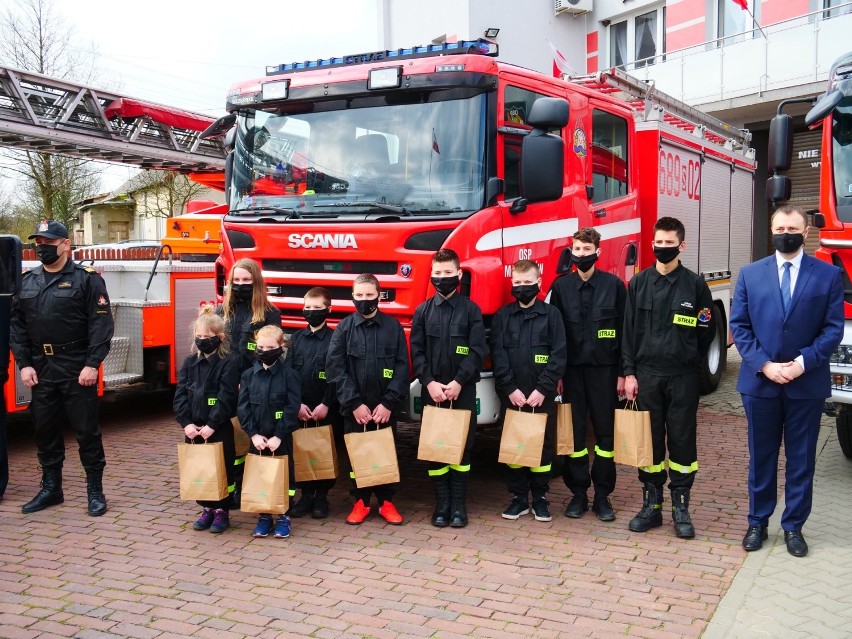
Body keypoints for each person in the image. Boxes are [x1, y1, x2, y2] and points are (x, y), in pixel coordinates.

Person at [731, 206, 843, 557]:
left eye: (792, 228)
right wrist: (764, 365)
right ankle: (757, 522)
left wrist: (801, 363)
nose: (785, 233)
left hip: (805, 384)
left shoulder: (828, 275)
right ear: (771, 229)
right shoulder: (750, 274)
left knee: (801, 459)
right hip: (760, 383)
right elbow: (740, 326)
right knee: (761, 457)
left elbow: (833, 329)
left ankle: (794, 526)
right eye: (779, 227)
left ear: (806, 231)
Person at [10, 220, 114, 516]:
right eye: (38, 243)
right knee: (44, 430)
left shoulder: (87, 279)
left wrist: (92, 364)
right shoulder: (28, 281)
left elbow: (101, 324)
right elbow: (16, 325)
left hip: (76, 366)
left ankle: (95, 491)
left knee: (86, 432)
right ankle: (51, 489)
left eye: (48, 243)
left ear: (65, 245)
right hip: (41, 368)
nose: (41, 248)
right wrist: (24, 364)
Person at [622, 216, 715, 539]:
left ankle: (681, 509)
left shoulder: (695, 286)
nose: (662, 248)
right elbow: (628, 334)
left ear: (681, 245)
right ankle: (652, 507)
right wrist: (629, 373)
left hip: (682, 378)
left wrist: (687, 360)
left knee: (682, 444)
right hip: (646, 377)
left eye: (668, 243)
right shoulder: (638, 284)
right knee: (648, 444)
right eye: (658, 243)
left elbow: (706, 330)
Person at [550, 227, 626, 521]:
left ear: (598, 251)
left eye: (586, 249)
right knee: (575, 434)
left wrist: (623, 373)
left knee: (605, 436)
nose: (580, 255)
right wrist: (556, 372)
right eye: (576, 250)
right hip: (571, 374)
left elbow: (625, 333)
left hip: (605, 373)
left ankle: (603, 496)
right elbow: (553, 334)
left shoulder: (614, 286)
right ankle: (579, 493)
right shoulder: (560, 288)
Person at [410, 249, 486, 528]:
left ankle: (458, 506)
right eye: (437, 274)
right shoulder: (422, 311)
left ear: (459, 274)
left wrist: (458, 382)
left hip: (461, 389)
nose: (442, 278)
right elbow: (417, 351)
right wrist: (428, 382)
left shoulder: (471, 310)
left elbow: (477, 350)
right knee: (436, 448)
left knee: (462, 449)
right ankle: (441, 505)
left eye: (447, 273)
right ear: (431, 276)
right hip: (432, 390)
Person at [326, 273, 409, 526]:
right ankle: (360, 501)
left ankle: (386, 502)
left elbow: (402, 367)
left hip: (385, 408)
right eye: (359, 296)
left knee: (386, 454)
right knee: (357, 457)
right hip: (355, 410)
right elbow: (335, 369)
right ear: (352, 297)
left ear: (379, 296)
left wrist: (388, 403)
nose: (364, 300)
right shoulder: (344, 328)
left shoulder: (392, 327)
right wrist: (354, 404)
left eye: (369, 295)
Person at [490, 260, 566, 522]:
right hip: (513, 395)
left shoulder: (552, 315)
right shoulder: (503, 317)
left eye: (527, 282)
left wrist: (543, 390)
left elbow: (558, 355)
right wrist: (510, 389)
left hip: (540, 395)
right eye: (517, 283)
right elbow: (498, 356)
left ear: (539, 283)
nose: (522, 287)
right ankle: (519, 498)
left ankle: (540, 498)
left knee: (543, 448)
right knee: (515, 446)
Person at [217, 258, 282, 506]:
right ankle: (231, 489)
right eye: (237, 280)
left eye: (246, 280)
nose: (241, 284)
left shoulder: (269, 313)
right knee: (231, 441)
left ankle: (251, 488)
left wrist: (248, 381)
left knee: (252, 437)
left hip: (254, 387)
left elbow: (269, 352)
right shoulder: (222, 312)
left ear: (256, 281)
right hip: (227, 387)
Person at [174, 305, 241, 533]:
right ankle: (206, 509)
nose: (203, 340)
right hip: (194, 427)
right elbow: (181, 394)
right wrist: (186, 423)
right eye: (199, 337)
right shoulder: (190, 362)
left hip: (218, 428)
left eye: (208, 337)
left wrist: (212, 424)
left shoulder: (229, 362)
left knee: (222, 468)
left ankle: (222, 510)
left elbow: (227, 396)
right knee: (200, 468)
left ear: (220, 338)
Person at [237, 325, 301, 539]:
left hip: (280, 438)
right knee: (260, 475)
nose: (265, 351)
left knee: (284, 477)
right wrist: (253, 434)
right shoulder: (247, 376)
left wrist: (279, 435)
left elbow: (292, 408)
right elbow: (243, 408)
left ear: (281, 347)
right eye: (261, 347)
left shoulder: (290, 375)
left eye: (270, 347)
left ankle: (284, 515)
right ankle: (264, 516)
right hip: (257, 439)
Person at [287, 287, 341, 519]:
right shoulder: (297, 339)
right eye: (307, 308)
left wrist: (326, 404)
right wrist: (296, 403)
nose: (311, 312)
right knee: (302, 451)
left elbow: (337, 375)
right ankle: (306, 495)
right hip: (301, 408)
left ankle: (321, 497)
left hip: (324, 408)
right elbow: (288, 373)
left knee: (323, 450)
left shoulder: (335, 339)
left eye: (317, 308)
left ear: (328, 309)